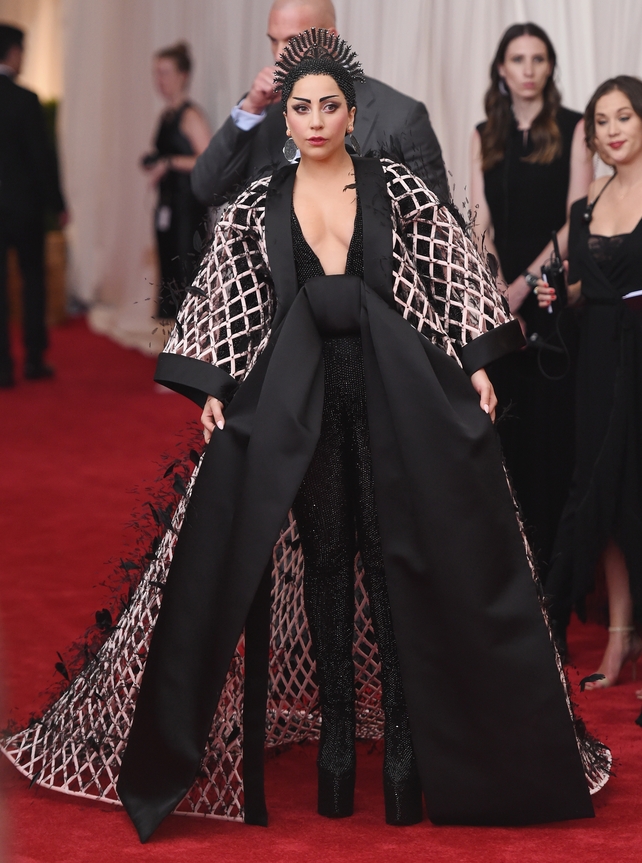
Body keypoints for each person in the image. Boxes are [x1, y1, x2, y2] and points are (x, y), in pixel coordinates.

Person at [1, 31, 608, 845]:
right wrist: (212, 388)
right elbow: (232, 289)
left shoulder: (394, 188)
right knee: (327, 557)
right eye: (301, 107)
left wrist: (475, 363)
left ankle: (400, 737)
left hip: (398, 394)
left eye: (329, 106)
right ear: (284, 117)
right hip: (302, 401)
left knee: (399, 556)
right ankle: (330, 735)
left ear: (352, 114)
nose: (315, 119)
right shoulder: (260, 199)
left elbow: (448, 269)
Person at [470, 22, 593, 588]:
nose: (527, 68)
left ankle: (552, 576)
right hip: (499, 301)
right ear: (501, 68)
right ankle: (511, 576)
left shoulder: (574, 128)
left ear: (549, 68)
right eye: (517, 58)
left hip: (549, 295)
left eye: (538, 58)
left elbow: (576, 219)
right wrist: (495, 288)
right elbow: (480, 225)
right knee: (507, 440)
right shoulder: (483, 135)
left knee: (551, 442)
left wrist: (522, 284)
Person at [536, 76, 642, 697]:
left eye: (624, 116)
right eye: (601, 122)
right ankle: (620, 634)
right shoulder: (589, 203)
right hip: (598, 359)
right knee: (601, 492)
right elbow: (586, 293)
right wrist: (561, 294)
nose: (612, 130)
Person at [190, 0, 450, 205]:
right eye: (273, 40)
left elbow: (435, 231)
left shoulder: (400, 117)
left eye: (292, 40)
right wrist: (249, 110)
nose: (279, 55)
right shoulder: (259, 110)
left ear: (330, 39)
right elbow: (205, 189)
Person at [0, 24, 67, 388]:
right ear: (13, 52)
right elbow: (42, 159)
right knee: (33, 281)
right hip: (24, 207)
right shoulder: (25, 99)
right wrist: (57, 203)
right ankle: (34, 358)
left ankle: (2, 366)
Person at [142, 42, 211, 319]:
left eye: (165, 72)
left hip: (187, 209)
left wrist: (169, 162)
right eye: (156, 73)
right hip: (168, 205)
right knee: (169, 275)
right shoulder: (166, 114)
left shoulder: (190, 115)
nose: (160, 80)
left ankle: (190, 348)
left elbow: (207, 162)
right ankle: (174, 347)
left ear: (183, 75)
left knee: (185, 275)